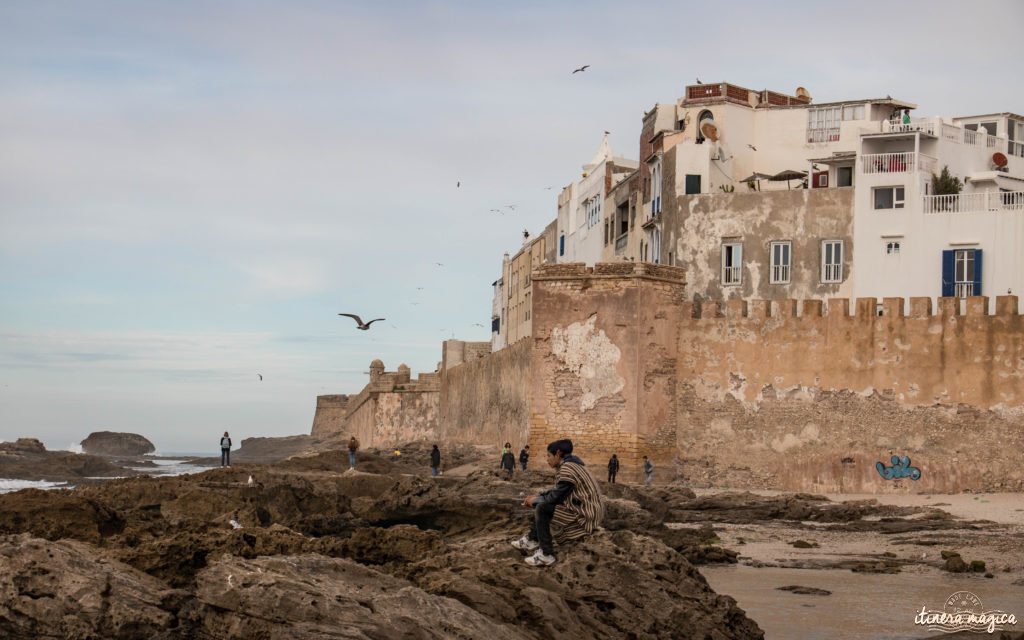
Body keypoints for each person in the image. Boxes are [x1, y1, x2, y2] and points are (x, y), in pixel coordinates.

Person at [511, 439, 604, 566]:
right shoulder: (571, 465)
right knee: (542, 503)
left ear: (558, 453)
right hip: (586, 510)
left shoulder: (567, 469)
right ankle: (532, 539)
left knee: (542, 508)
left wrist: (535, 501)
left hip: (586, 517)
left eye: (549, 456)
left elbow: (556, 498)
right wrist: (540, 495)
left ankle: (546, 554)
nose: (547, 459)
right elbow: (559, 491)